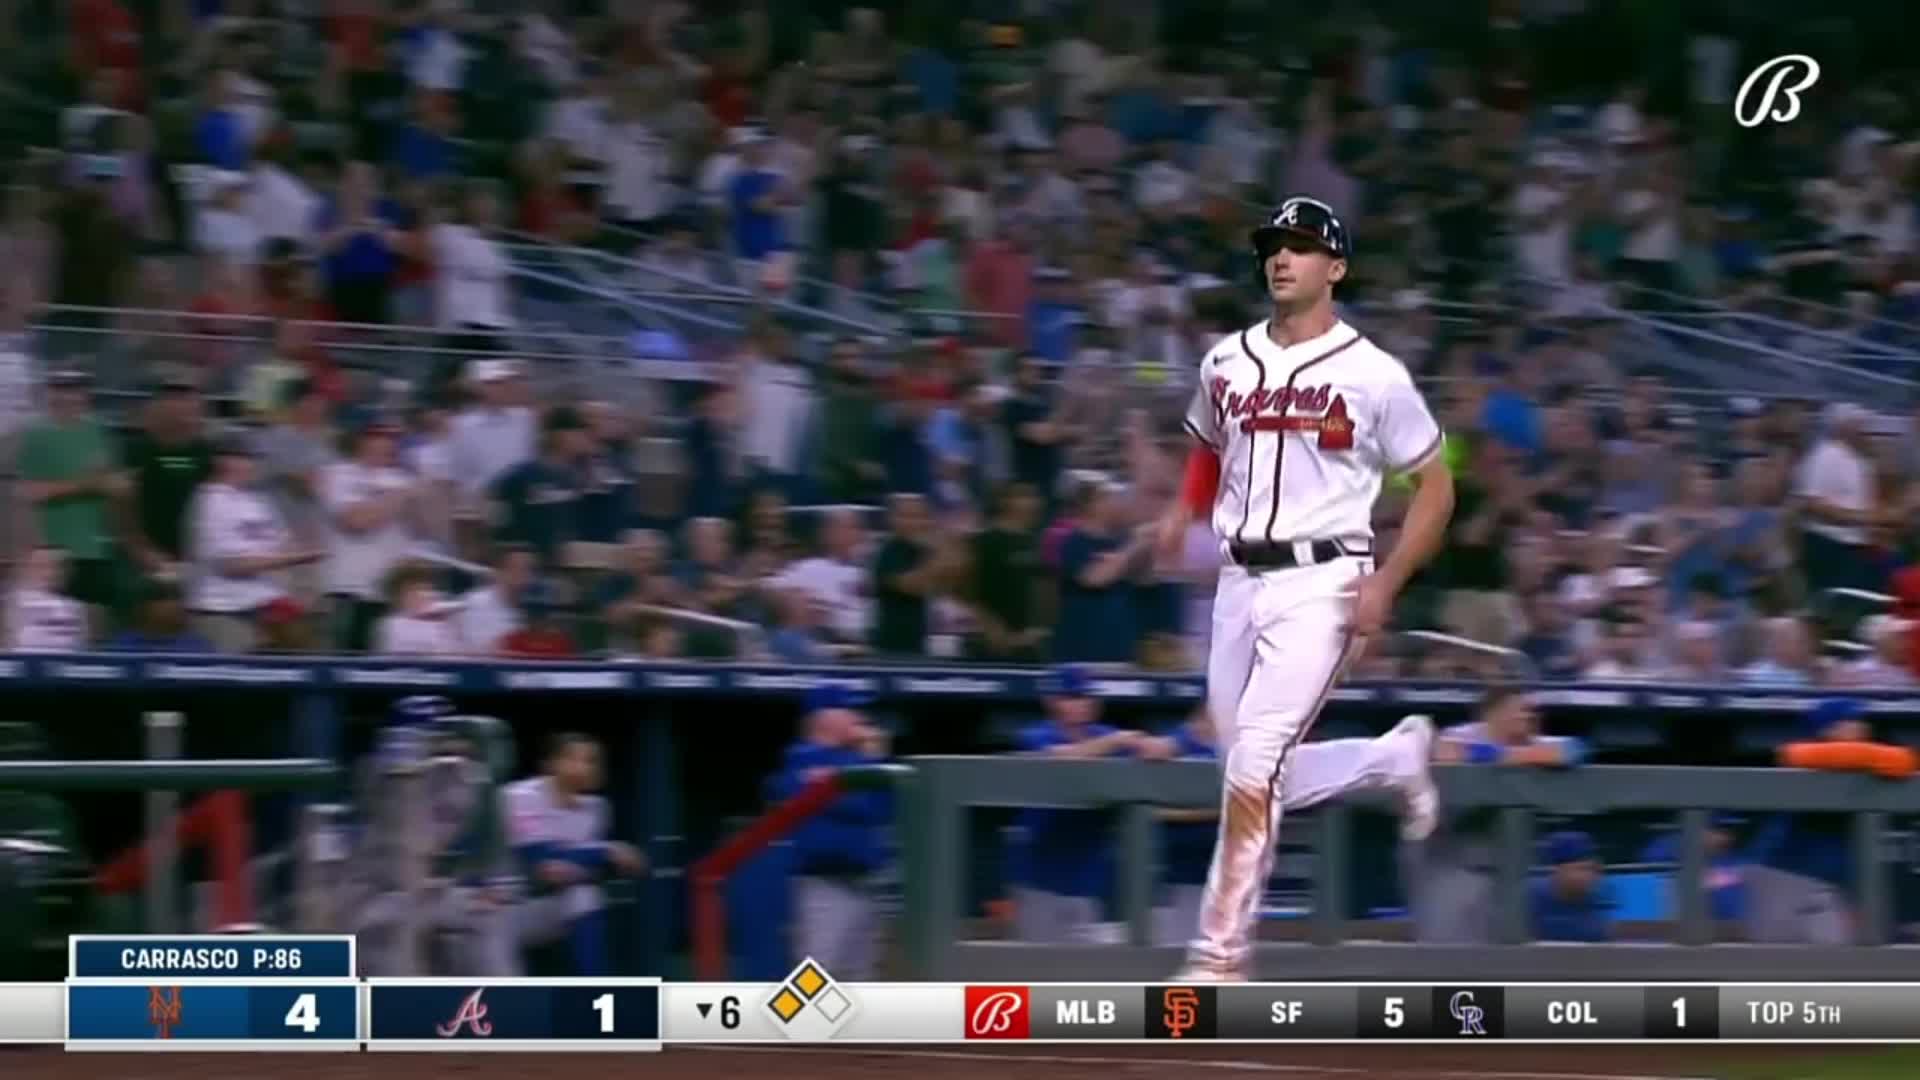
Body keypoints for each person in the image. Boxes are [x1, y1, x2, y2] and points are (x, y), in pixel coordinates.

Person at [1156, 197, 1454, 982]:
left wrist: (1387, 579)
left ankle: (1219, 957)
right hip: (1235, 584)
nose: (1281, 258)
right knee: (1248, 769)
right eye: (1273, 246)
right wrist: (1181, 508)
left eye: (1300, 246)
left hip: (1324, 580)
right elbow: (1208, 448)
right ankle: (1392, 758)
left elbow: (1436, 488)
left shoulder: (1374, 374)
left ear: (1336, 267)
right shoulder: (1225, 360)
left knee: (1255, 760)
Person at [1010, 664, 1159, 944]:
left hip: (1086, 879)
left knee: (1081, 970)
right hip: (1039, 877)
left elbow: (1153, 747)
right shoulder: (1034, 736)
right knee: (1036, 966)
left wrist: (1149, 744)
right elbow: (1063, 758)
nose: (1081, 704)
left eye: (1086, 697)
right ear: (1052, 702)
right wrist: (1116, 741)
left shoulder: (1106, 734)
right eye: (1072, 697)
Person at [768, 684, 893, 978]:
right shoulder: (802, 758)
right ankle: (788, 1026)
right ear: (823, 717)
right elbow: (858, 806)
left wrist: (872, 761)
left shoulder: (858, 759)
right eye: (848, 709)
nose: (858, 717)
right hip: (824, 887)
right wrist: (866, 772)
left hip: (865, 887)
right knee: (811, 980)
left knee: (859, 983)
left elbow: (880, 811)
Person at [504, 733, 647, 976]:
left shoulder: (597, 808)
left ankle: (594, 994)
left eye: (590, 761)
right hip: (506, 907)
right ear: (548, 764)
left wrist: (584, 864)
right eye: (572, 758)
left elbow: (575, 869)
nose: (583, 767)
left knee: (584, 896)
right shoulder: (519, 796)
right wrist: (607, 850)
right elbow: (538, 861)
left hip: (551, 904)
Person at [186, 432, 320, 653]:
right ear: (222, 461)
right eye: (245, 458)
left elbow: (283, 543)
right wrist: (295, 558)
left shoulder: (255, 501)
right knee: (238, 677)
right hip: (224, 610)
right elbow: (233, 565)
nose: (253, 465)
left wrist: (305, 552)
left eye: (253, 459)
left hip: (265, 609)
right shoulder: (211, 500)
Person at [1530, 831, 1610, 943]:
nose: (1591, 877)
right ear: (1558, 870)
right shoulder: (1528, 898)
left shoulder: (1592, 906)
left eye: (1594, 870)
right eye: (1582, 869)